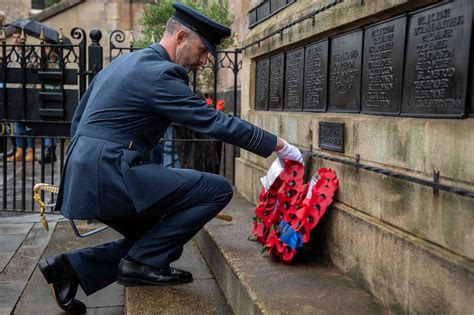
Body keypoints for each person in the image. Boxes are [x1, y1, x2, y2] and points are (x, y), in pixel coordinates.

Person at [36, 3, 303, 314]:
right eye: (203, 50)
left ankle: (70, 268)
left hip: (88, 174)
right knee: (217, 189)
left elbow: (79, 119)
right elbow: (213, 121)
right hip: (110, 173)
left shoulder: (126, 62)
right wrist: (279, 145)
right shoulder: (161, 74)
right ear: (181, 36)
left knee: (162, 241)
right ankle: (137, 264)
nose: (204, 61)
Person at [7, 29, 34, 162]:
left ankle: (30, 150)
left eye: (19, 37)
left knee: (29, 123)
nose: (16, 39)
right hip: (14, 92)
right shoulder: (9, 53)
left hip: (28, 92)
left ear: (24, 38)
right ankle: (19, 150)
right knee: (16, 122)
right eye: (14, 37)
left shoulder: (30, 52)